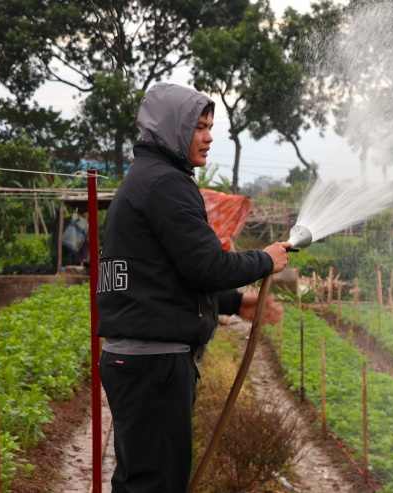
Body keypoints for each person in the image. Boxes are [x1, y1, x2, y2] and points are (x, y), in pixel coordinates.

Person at [97, 82, 291, 492]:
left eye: (210, 126)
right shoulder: (166, 185)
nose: (209, 136)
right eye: (199, 127)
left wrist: (237, 302)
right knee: (157, 484)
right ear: (172, 129)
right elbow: (207, 265)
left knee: (140, 479)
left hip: (137, 363)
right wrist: (265, 259)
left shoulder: (144, 181)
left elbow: (165, 278)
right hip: (156, 367)